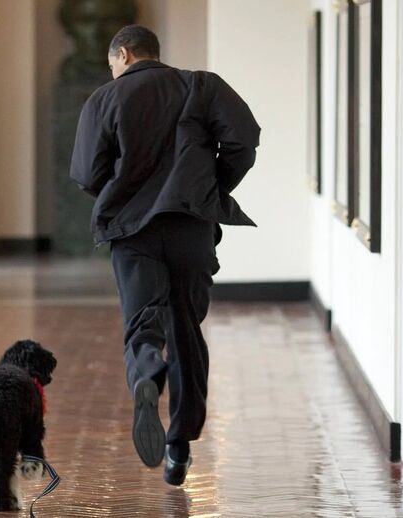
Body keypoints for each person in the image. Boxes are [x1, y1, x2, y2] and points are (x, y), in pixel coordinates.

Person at [69, 24, 260, 486]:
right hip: (190, 227)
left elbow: (85, 171)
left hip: (134, 230)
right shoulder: (201, 85)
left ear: (125, 54)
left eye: (112, 63)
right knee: (186, 329)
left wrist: (120, 192)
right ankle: (179, 447)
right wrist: (208, 187)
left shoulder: (104, 99)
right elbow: (244, 139)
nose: (112, 71)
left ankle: (146, 373)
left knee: (143, 321)